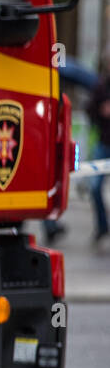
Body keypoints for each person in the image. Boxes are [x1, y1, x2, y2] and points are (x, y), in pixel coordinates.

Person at [86, 65, 110, 247]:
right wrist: (100, 113)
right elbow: (90, 109)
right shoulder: (100, 86)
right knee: (94, 187)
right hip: (104, 143)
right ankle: (102, 226)